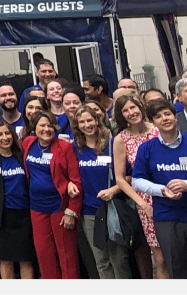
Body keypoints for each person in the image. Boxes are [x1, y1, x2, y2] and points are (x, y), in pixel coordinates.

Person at [129, 98, 187, 279]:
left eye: (167, 114)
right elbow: (137, 181)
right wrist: (161, 190)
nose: (164, 119)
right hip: (166, 217)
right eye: (158, 116)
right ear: (153, 122)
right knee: (176, 270)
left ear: (175, 117)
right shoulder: (146, 148)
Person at [70, 104, 130, 279]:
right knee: (101, 261)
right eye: (82, 122)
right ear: (77, 125)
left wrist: (114, 189)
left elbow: (131, 176)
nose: (87, 125)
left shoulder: (112, 144)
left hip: (113, 207)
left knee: (119, 260)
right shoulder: (75, 148)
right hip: (89, 210)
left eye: (90, 120)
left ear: (97, 120)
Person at [112, 93, 168, 278]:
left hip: (169, 191)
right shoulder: (121, 139)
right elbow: (120, 178)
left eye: (133, 107)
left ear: (140, 107)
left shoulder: (157, 129)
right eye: (126, 110)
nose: (131, 112)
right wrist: (141, 204)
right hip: (145, 200)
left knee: (179, 252)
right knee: (160, 259)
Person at [0, 120, 34, 279]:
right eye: (0, 134)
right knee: (6, 260)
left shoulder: (22, 156)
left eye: (7, 133)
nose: (5, 137)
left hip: (24, 215)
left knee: (26, 260)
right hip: (1, 216)